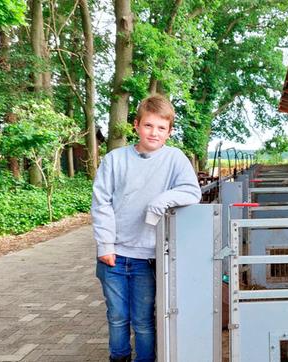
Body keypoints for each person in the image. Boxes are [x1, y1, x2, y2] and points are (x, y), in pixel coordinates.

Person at [92, 94, 202, 362]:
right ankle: (118, 357)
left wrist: (158, 204)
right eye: (148, 125)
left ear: (169, 131)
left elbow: (192, 191)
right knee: (117, 315)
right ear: (136, 125)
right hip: (114, 255)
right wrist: (105, 246)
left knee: (143, 319)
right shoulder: (115, 160)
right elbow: (101, 203)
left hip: (149, 257)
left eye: (161, 128)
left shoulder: (175, 159)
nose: (154, 133)